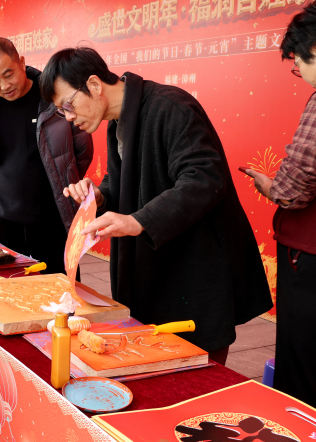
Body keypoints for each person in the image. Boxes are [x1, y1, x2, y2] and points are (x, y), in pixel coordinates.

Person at [41, 47, 272, 362]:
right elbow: (127, 179)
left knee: (197, 369)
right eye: (61, 111)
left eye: (68, 105)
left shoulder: (170, 107)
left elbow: (203, 178)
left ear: (94, 85)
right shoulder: (119, 120)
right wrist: (100, 194)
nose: (68, 117)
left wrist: (139, 220)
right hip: (157, 268)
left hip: (194, 268)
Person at [244, 0, 316, 418]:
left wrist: (270, 186)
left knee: (305, 378)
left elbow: (294, 189)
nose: (299, 70)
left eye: (298, 61)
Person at [0, 38, 93, 276]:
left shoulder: (55, 101)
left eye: (9, 75)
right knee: (5, 291)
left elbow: (82, 151)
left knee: (60, 290)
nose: (4, 85)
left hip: (53, 220)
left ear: (22, 63)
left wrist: (63, 180)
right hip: (3, 222)